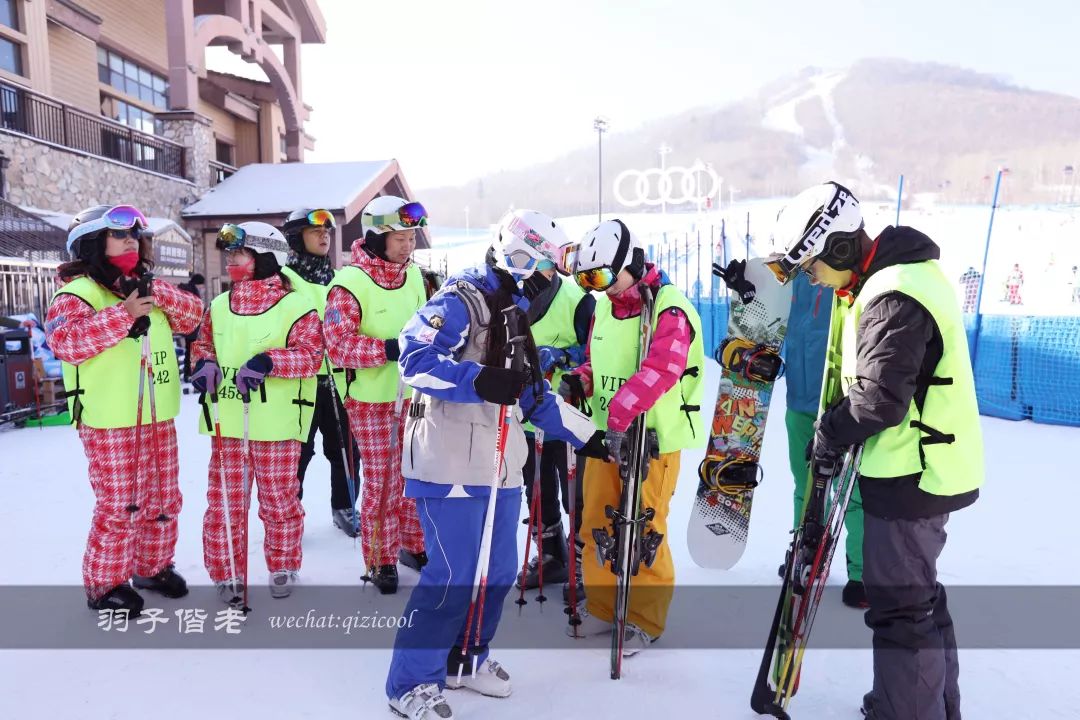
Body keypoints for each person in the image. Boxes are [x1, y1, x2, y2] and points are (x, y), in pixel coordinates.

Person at [769, 181, 984, 720]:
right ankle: (923, 706)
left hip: (912, 472)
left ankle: (905, 710)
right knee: (917, 601)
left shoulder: (893, 293)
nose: (813, 278)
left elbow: (879, 399)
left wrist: (830, 432)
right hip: (919, 468)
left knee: (902, 610)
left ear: (840, 246)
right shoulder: (893, 280)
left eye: (813, 265)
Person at [383, 209, 608, 720]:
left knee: (500, 570)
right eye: (546, 267)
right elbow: (413, 359)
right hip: (448, 460)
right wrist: (478, 381)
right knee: (454, 575)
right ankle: (410, 682)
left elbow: (532, 396)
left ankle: (466, 658)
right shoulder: (461, 299)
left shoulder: (516, 314)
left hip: (500, 463)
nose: (551, 279)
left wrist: (589, 436)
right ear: (519, 257)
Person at [45, 204, 202, 614]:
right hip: (110, 419)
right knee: (121, 504)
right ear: (92, 243)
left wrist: (156, 292)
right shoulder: (77, 293)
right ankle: (105, 584)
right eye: (119, 234)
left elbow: (192, 317)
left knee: (163, 498)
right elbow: (66, 342)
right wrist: (123, 314)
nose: (130, 239)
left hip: (156, 414)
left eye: (135, 234)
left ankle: (152, 567)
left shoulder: (148, 285)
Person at [559, 218, 706, 656]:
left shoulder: (670, 309)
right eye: (589, 280)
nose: (599, 288)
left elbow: (662, 369)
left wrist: (621, 414)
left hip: (650, 440)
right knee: (596, 522)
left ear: (633, 263)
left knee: (643, 527)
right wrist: (580, 380)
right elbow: (599, 360)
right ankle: (604, 605)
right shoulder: (605, 307)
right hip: (606, 438)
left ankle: (645, 616)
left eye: (604, 276)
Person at [190, 221, 322, 603]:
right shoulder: (219, 305)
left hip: (278, 422)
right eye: (230, 254)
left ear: (266, 258)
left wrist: (269, 361)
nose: (231, 260)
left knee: (279, 500)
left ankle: (283, 564)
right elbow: (203, 345)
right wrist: (203, 364)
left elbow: (312, 356)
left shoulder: (297, 305)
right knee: (225, 502)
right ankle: (226, 570)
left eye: (240, 253)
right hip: (229, 420)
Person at [324, 196, 429, 594]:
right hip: (371, 398)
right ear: (375, 237)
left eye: (411, 237)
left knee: (416, 473)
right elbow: (337, 346)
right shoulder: (348, 284)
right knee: (383, 480)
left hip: (416, 396)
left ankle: (413, 544)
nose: (408, 245)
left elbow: (429, 323)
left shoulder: (414, 276)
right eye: (399, 238)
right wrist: (387, 349)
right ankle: (380, 557)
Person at [783, 271, 866, 608]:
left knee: (851, 491)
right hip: (799, 399)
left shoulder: (851, 276)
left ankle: (861, 574)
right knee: (806, 484)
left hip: (843, 404)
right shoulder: (792, 276)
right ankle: (807, 552)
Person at [279, 208, 360, 538]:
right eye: (315, 232)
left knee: (346, 448)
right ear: (297, 239)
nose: (324, 236)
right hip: (301, 382)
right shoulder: (283, 280)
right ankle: (289, 512)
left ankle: (344, 506)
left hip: (337, 378)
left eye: (327, 231)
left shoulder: (338, 279)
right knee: (298, 452)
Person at [516, 260, 595, 594]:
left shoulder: (578, 299)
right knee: (536, 489)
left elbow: (596, 350)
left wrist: (564, 355)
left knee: (577, 494)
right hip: (526, 414)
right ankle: (551, 555)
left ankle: (582, 561)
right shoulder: (510, 294)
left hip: (567, 413)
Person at [177, 273, 204, 381]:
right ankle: (190, 373)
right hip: (191, 326)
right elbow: (195, 307)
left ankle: (189, 373)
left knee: (190, 350)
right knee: (191, 351)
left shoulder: (188, 289)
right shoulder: (191, 291)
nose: (202, 287)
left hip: (189, 325)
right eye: (202, 285)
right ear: (198, 283)